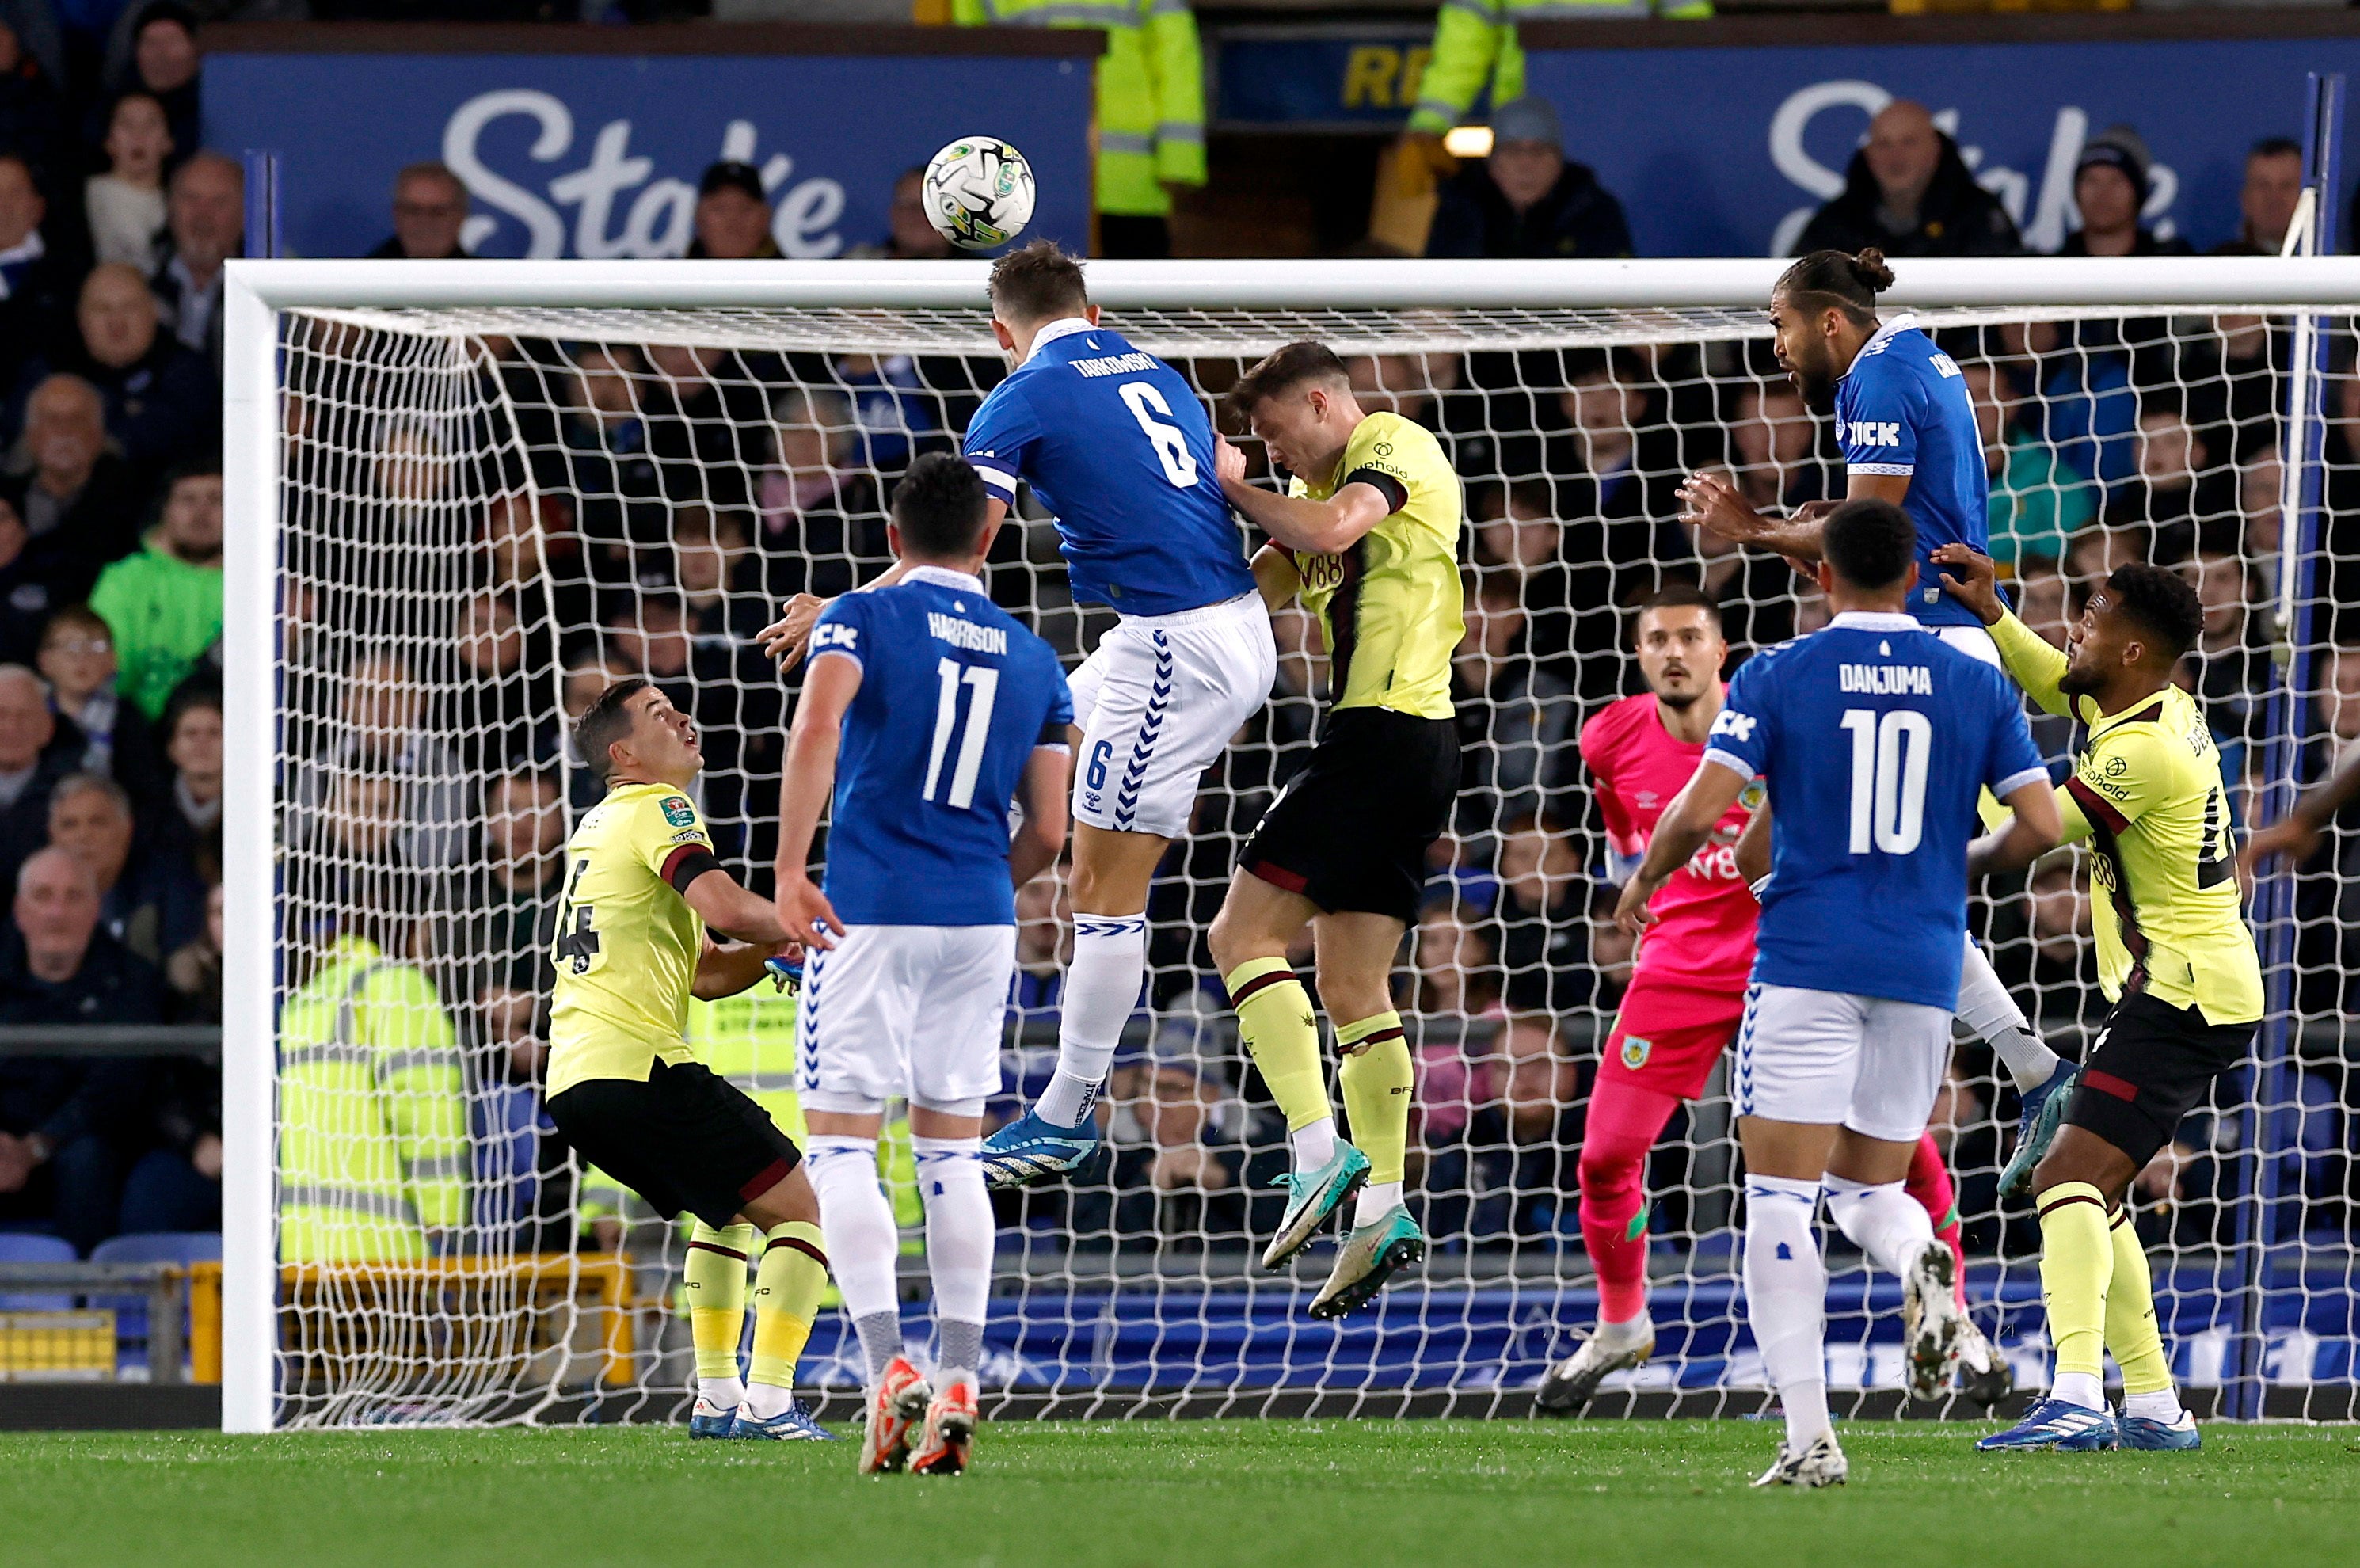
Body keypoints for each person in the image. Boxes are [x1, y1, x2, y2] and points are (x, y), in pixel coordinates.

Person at [759, 242, 1274, 1190]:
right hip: (1184, 628)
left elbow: (961, 547)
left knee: (1101, 885)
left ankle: (1064, 1113)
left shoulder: (1021, 396)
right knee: (1004, 768)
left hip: (1179, 646)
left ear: (1001, 329)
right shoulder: (1156, 370)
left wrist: (839, 612)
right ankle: (871, 927)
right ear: (1088, 302)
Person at [1623, 500, 2059, 1486]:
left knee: (1778, 1201)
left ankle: (1810, 1438)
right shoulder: (1971, 680)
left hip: (1807, 960)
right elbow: (2039, 825)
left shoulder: (1782, 672)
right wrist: (1955, 868)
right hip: (1917, 967)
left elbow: (1702, 810)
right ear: (1913, 578)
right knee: (1868, 1189)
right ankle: (1919, 1265)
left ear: (1821, 576)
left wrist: (1645, 881)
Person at [1538, 583, 2010, 1412]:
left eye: (1690, 637)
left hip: (1785, 958)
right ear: (1639, 653)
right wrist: (1639, 888)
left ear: (1721, 652)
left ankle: (1955, 1316)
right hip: (1678, 970)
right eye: (1657, 640)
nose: (1674, 652)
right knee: (1605, 1156)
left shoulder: (1777, 712)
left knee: (1895, 1158)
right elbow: (1625, 837)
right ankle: (1621, 1324)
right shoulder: (1607, 737)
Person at [1680, 249, 2077, 1118]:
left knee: (1872, 880)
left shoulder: (1879, 379)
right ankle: (2026, 1062)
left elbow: (1869, 538)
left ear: (1828, 319)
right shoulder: (1911, 360)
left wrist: (1749, 529)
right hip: (1930, 648)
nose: (1775, 348)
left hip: (1923, 653)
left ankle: (1886, 1017)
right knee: (1764, 857)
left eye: (1780, 326)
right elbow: (1869, 524)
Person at [774, 453, 1072, 1475]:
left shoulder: (860, 614)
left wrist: (787, 871)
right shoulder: (1037, 659)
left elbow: (817, 723)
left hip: (868, 912)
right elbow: (1052, 828)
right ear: (990, 540)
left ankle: (884, 1371)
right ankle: (961, 1376)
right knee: (951, 1154)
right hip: (980, 921)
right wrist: (986, 878)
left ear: (894, 540)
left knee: (845, 1150)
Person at [1936, 544, 2259, 1455]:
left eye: (2092, 618)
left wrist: (1925, 800)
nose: (2073, 628)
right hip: (2181, 986)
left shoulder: (2144, 752)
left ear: (2128, 651)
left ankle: (2076, 1396)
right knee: (2098, 1193)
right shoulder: (2144, 699)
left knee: (2065, 1177)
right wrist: (1993, 615)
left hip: (2183, 996)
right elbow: (2054, 684)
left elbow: (2020, 836)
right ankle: (2154, 1405)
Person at [1203, 339, 1464, 1319]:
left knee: (1238, 936)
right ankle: (1381, 1211)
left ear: (1321, 403)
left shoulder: (1390, 447)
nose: (1271, 453)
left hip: (1385, 734)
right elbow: (1233, 600)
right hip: (1410, 744)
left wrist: (1234, 491)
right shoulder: (1300, 518)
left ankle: (1316, 1151)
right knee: (1354, 985)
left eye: (1275, 433)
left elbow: (1331, 524)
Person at [543, 676, 831, 1441]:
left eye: (679, 708)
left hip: (578, 1082)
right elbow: (729, 908)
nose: (682, 719)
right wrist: (826, 922)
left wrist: (778, 946)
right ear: (624, 753)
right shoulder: (658, 807)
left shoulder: (599, 830)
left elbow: (705, 972)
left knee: (728, 1208)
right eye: (658, 715)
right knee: (802, 1211)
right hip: (638, 1065)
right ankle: (772, 1403)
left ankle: (716, 1398)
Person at [0, 846, 162, 1254]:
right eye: (43, 896)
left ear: (95, 910)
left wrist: (36, 1147)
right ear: (20, 912)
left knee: (88, 1159)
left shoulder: (134, 982)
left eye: (73, 897)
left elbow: (116, 1088)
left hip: (76, 1147)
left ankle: (87, 1305)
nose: (57, 913)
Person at [951, 0, 1206, 259]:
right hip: (1031, 176)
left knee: (1129, 289)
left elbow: (1176, 59)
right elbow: (971, 61)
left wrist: (1178, 162)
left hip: (1122, 180)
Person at [1791, 101, 2021, 260]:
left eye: (1909, 142)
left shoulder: (1977, 214)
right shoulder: (1836, 222)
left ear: (1935, 151)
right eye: (1884, 144)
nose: (1895, 157)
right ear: (1869, 156)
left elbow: (2013, 291)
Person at [88, 459, 219, 721]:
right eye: (188, 500)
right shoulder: (125, 579)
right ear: (165, 510)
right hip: (137, 732)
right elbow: (107, 673)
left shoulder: (260, 581)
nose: (201, 513)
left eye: (216, 500)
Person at [1422, 97, 1631, 261]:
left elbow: (1621, 295)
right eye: (1513, 152)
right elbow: (1433, 293)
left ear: (1558, 162)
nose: (1526, 164)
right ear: (1492, 164)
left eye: (1539, 152)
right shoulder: (1460, 207)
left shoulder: (1593, 209)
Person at [149, 150, 239, 369]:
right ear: (170, 208)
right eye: (191, 199)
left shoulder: (266, 291)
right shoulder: (141, 280)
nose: (203, 215)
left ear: (245, 214)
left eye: (219, 202)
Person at [2055, 126, 2188, 261]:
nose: (2103, 194)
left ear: (2138, 193)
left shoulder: (2175, 267)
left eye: (2116, 181)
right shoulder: (2049, 271)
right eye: (2091, 181)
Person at [83, 90, 169, 272]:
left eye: (151, 124)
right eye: (127, 124)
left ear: (168, 141)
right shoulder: (87, 197)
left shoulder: (180, 202)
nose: (139, 136)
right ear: (109, 141)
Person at [2213, 137, 2303, 256]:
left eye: (2286, 186)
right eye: (2263, 186)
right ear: (2245, 198)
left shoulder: (2332, 266)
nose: (2274, 198)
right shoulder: (2217, 266)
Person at [367, 162, 469, 261]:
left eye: (437, 212)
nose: (424, 221)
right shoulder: (361, 275)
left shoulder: (482, 276)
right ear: (396, 214)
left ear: (460, 216)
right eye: (413, 211)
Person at [684, 161, 777, 261]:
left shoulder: (793, 275)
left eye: (745, 209)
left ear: (765, 217)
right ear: (699, 217)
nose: (733, 221)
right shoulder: (670, 275)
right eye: (720, 209)